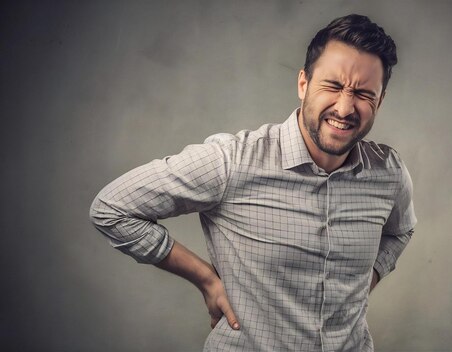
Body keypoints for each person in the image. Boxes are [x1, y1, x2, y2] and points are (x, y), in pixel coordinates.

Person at [90, 14, 417, 352]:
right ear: (303, 84)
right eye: (333, 86)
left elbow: (401, 230)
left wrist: (366, 279)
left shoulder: (388, 173)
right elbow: (112, 208)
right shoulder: (232, 161)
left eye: (363, 94)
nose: (346, 107)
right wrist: (206, 279)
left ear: (380, 100)